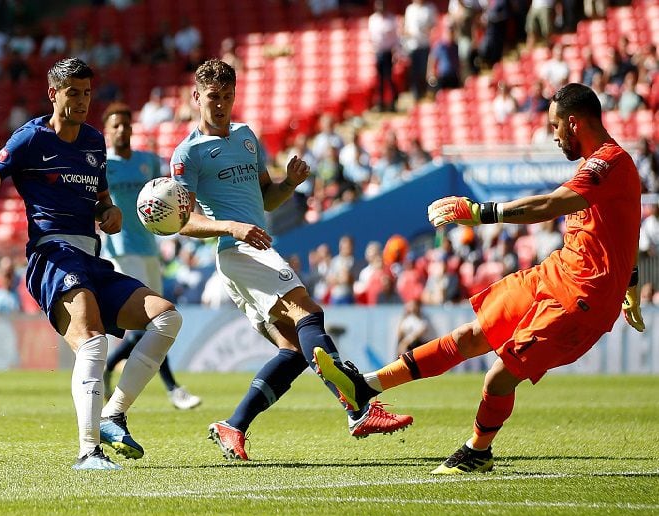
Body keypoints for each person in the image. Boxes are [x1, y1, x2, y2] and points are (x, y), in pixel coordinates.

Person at [314, 83, 645, 474]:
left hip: (581, 299)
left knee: (500, 376)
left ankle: (477, 451)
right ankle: (364, 386)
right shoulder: (596, 166)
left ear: (573, 123)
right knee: (468, 338)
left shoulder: (608, 164)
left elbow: (551, 205)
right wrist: (633, 289)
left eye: (555, 127)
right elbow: (620, 235)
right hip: (553, 275)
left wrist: (482, 211)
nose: (554, 136)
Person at [169, 58, 412, 461]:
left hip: (253, 247)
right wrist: (231, 227)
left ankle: (234, 425)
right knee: (309, 313)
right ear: (196, 97)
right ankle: (358, 408)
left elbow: (266, 197)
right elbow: (182, 221)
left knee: (296, 350)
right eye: (213, 97)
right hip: (239, 250)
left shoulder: (247, 137)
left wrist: (290, 184)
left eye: (228, 96)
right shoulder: (188, 153)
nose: (221, 105)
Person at [0, 58, 183, 471]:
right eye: (74, 93)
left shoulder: (94, 141)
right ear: (54, 93)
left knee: (167, 318)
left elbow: (102, 200)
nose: (83, 101)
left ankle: (112, 415)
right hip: (51, 254)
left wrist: (110, 213)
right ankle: (88, 452)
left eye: (87, 93)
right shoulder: (31, 137)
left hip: (91, 257)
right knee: (93, 338)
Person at [100, 101, 202, 411]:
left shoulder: (147, 162)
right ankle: (174, 389)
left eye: (126, 124)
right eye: (115, 125)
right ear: (107, 131)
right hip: (121, 251)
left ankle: (108, 367)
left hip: (149, 249)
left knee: (150, 325)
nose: (121, 130)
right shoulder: (103, 165)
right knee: (154, 321)